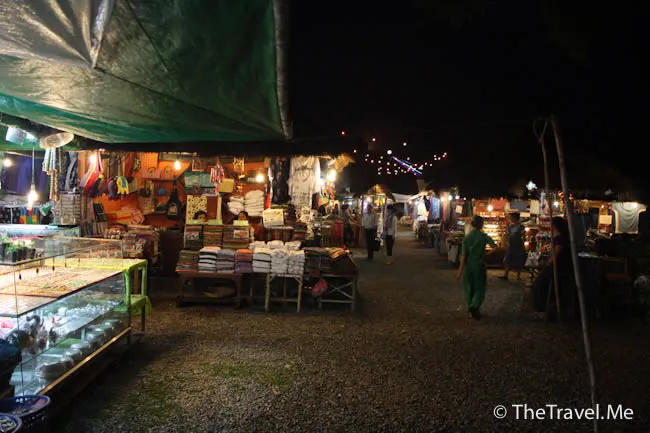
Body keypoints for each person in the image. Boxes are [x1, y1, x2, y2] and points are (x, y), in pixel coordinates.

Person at [530, 216, 572, 320]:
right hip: (560, 267)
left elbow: (555, 255)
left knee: (539, 284)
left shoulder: (560, 239)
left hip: (558, 269)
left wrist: (547, 263)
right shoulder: (561, 238)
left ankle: (542, 311)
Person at [456, 215, 496, 320]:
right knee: (480, 287)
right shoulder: (483, 236)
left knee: (469, 287)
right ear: (481, 224)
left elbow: (463, 256)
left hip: (468, 266)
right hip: (479, 265)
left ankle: (470, 311)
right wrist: (485, 255)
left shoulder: (467, 237)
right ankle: (475, 305)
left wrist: (459, 271)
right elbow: (495, 247)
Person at [499, 212, 526, 280]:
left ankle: (518, 275)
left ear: (515, 218)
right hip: (511, 244)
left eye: (512, 217)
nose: (511, 219)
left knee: (518, 259)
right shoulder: (510, 226)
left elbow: (523, 235)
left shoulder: (521, 226)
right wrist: (505, 241)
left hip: (518, 244)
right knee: (508, 259)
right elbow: (507, 234)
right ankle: (506, 275)